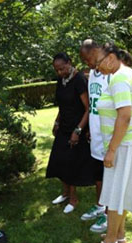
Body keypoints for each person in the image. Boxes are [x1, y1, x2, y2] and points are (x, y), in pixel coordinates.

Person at [86, 43, 132, 243]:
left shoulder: (120, 78)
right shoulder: (124, 74)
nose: (97, 69)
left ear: (111, 57)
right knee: (120, 192)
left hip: (124, 145)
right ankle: (119, 235)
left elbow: (124, 116)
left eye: (98, 63)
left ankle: (109, 240)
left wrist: (111, 150)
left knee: (115, 194)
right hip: (129, 143)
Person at [46, 52, 95, 214]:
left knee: (71, 164)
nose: (59, 72)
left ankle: (74, 199)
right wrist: (57, 121)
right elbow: (62, 105)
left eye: (62, 68)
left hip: (77, 127)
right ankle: (65, 193)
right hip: (64, 127)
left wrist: (78, 130)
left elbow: (88, 109)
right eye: (56, 70)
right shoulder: (61, 81)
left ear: (69, 63)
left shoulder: (79, 80)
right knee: (59, 160)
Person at [79, 39, 109, 233]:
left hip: (110, 135)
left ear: (96, 51)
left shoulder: (112, 73)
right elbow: (92, 105)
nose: (86, 63)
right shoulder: (92, 76)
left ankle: (108, 214)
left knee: (110, 176)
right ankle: (100, 206)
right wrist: (90, 127)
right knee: (98, 174)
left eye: (87, 58)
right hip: (97, 134)